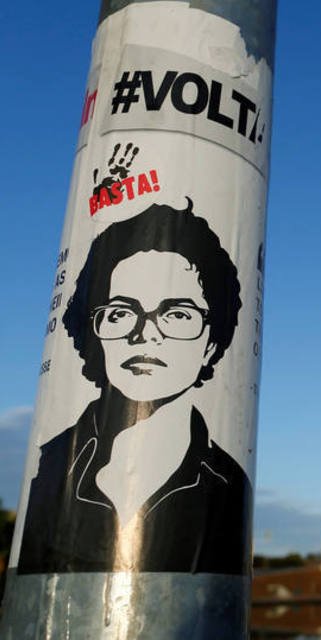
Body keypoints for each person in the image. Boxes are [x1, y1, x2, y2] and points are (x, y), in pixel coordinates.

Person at [17, 201, 251, 575]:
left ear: (212, 341)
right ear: (95, 333)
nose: (145, 335)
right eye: (121, 313)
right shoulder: (48, 467)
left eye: (177, 314)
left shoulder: (232, 486)